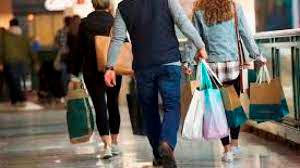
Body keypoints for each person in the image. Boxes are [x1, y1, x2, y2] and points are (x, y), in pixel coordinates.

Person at [104, 0, 207, 167]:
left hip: (143, 67)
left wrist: (110, 67)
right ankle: (166, 144)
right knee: (172, 106)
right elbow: (182, 22)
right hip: (169, 62)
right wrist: (200, 45)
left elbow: (117, 38)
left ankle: (159, 156)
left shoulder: (124, 7)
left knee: (149, 111)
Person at [187, 0, 267, 162]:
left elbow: (193, 38)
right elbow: (245, 33)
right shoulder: (234, 7)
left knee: (218, 110)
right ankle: (235, 144)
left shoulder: (199, 10)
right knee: (233, 105)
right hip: (232, 66)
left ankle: (226, 149)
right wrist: (257, 55)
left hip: (212, 68)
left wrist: (188, 61)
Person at [69, 0, 123, 159]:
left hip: (91, 71)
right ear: (107, 5)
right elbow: (123, 43)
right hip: (112, 69)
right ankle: (115, 143)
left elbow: (78, 50)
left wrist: (74, 73)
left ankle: (106, 146)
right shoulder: (115, 21)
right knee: (113, 104)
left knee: (100, 106)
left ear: (93, 4)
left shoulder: (85, 23)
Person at [0, 19, 32, 107]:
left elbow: (2, 49)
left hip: (10, 61)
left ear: (10, 25)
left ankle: (16, 99)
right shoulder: (23, 36)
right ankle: (21, 98)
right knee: (21, 81)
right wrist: (34, 60)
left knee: (13, 82)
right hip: (23, 61)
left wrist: (1, 61)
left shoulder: (5, 36)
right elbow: (30, 49)